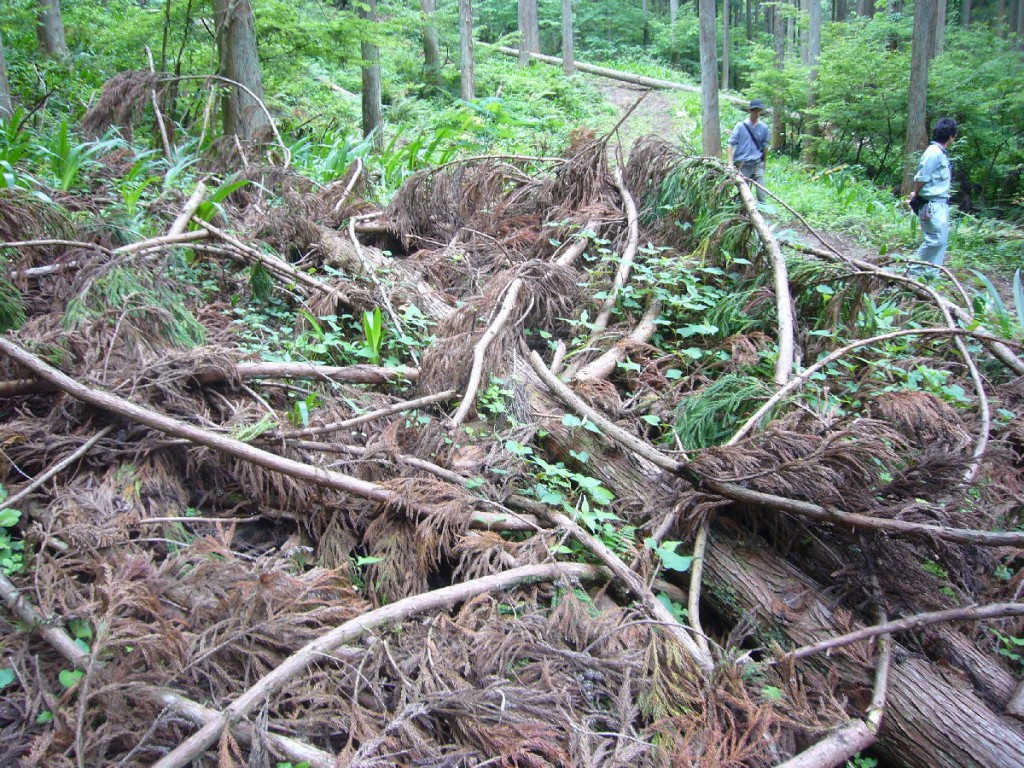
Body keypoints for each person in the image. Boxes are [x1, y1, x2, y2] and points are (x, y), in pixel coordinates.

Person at [908, 117, 958, 274]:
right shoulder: (934, 153)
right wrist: (916, 194)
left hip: (940, 204)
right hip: (931, 204)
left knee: (941, 242)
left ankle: (931, 276)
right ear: (952, 136)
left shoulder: (940, 153)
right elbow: (922, 177)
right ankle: (911, 272)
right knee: (935, 241)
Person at [727, 99, 771, 202]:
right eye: (754, 110)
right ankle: (740, 214)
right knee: (742, 194)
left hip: (756, 164)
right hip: (743, 165)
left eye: (758, 111)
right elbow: (730, 144)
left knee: (762, 193)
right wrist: (730, 163)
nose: (756, 113)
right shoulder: (740, 126)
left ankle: (762, 214)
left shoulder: (763, 127)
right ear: (750, 111)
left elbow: (765, 146)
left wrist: (764, 162)